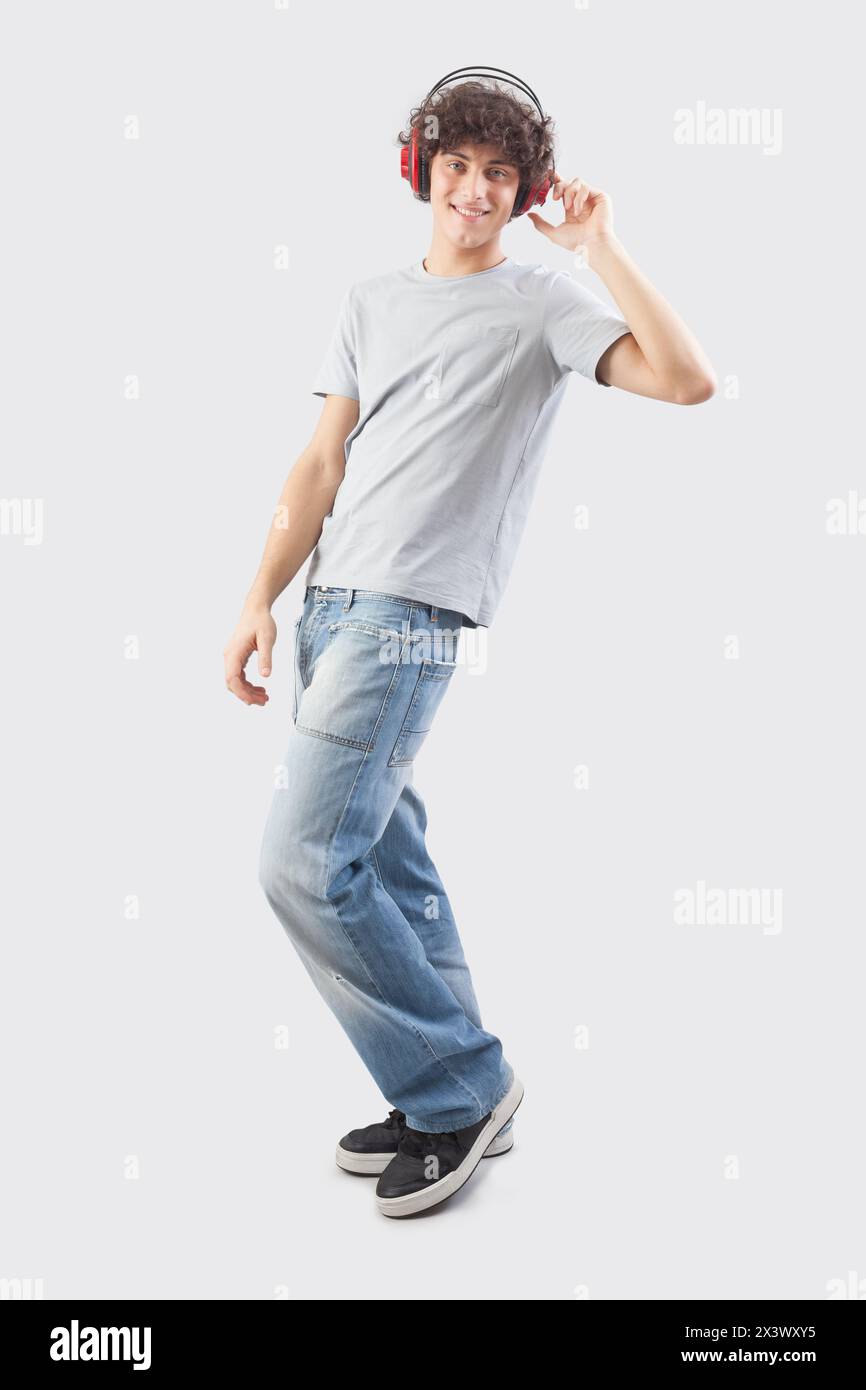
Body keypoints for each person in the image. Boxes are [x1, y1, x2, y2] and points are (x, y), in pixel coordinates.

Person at [223, 71, 716, 1219]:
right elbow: (318, 466)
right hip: (331, 605)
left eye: (502, 174)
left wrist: (601, 247)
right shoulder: (366, 301)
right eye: (458, 167)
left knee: (297, 861)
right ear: (421, 171)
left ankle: (456, 1086)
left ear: (523, 187)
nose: (477, 192)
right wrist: (258, 595)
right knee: (384, 858)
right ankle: (451, 1080)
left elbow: (688, 382)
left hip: (408, 616)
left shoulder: (542, 303)